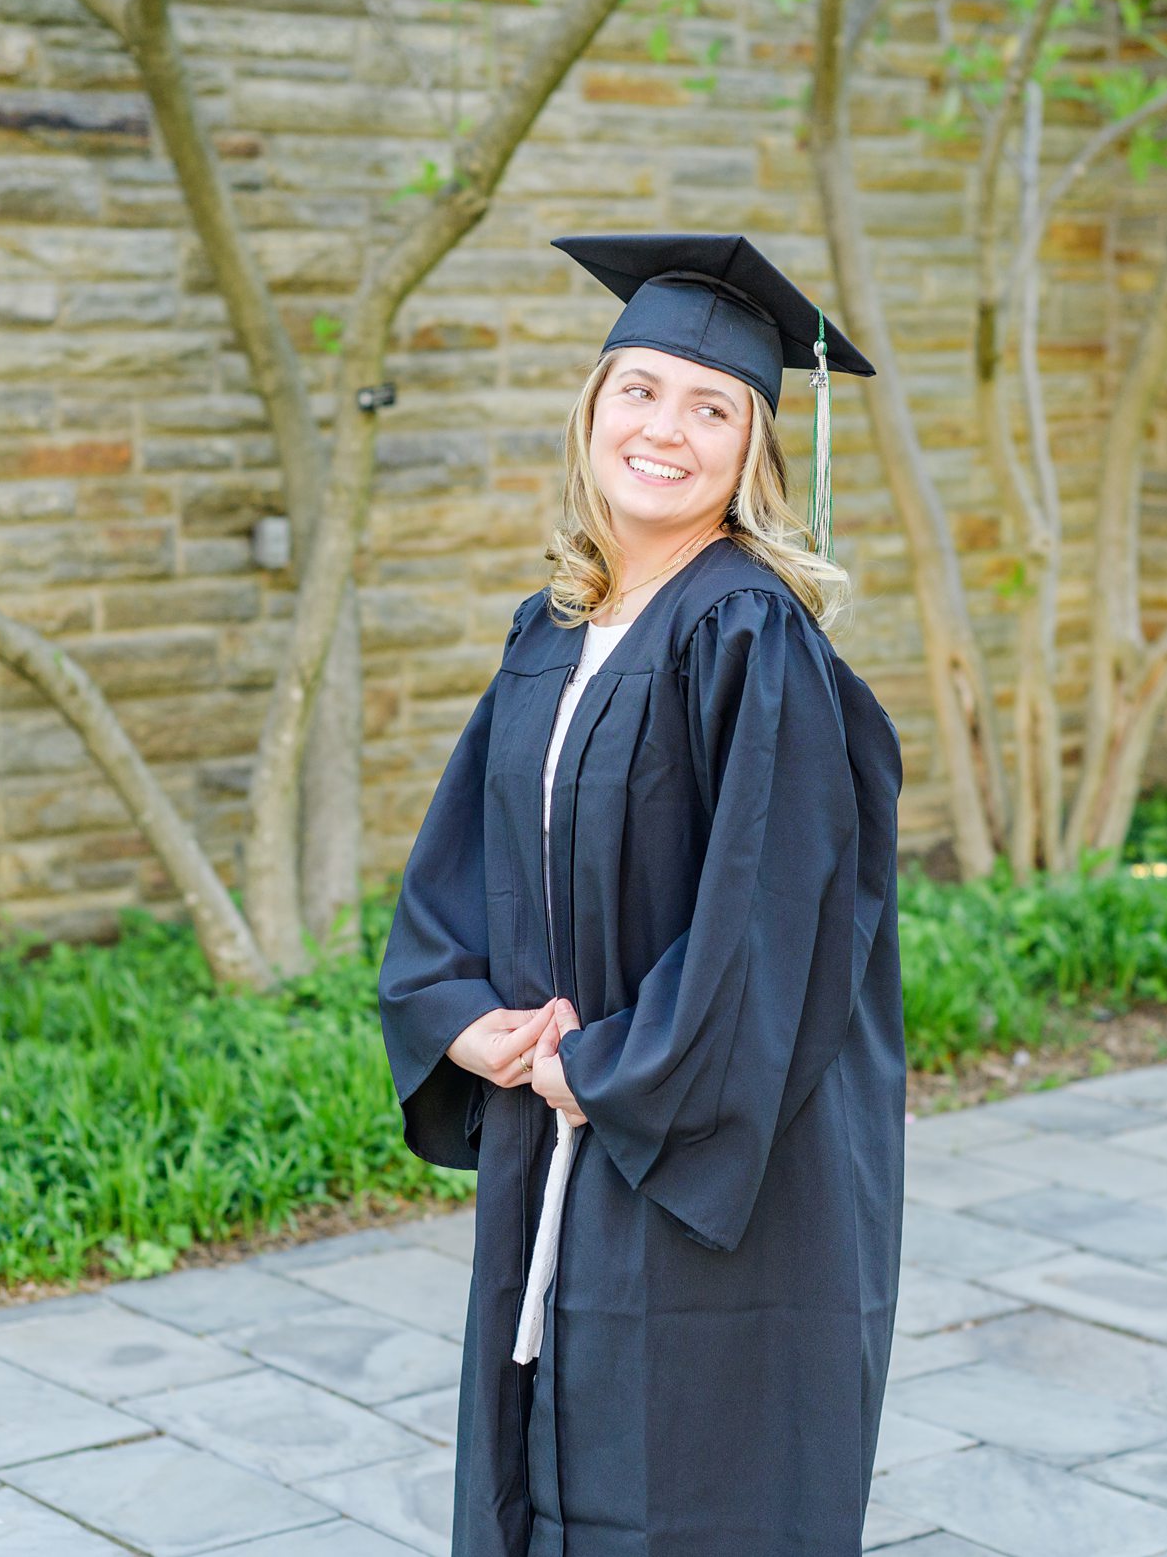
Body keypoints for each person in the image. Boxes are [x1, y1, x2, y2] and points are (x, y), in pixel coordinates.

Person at [377, 232, 906, 1557]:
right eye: (641, 390)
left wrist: (613, 1066)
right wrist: (463, 1017)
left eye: (709, 405)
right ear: (594, 407)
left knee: (691, 1491)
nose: (664, 428)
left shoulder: (751, 633)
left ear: (755, 451)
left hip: (712, 1151)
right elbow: (463, 866)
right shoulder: (552, 628)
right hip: (562, 1117)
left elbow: (769, 929)